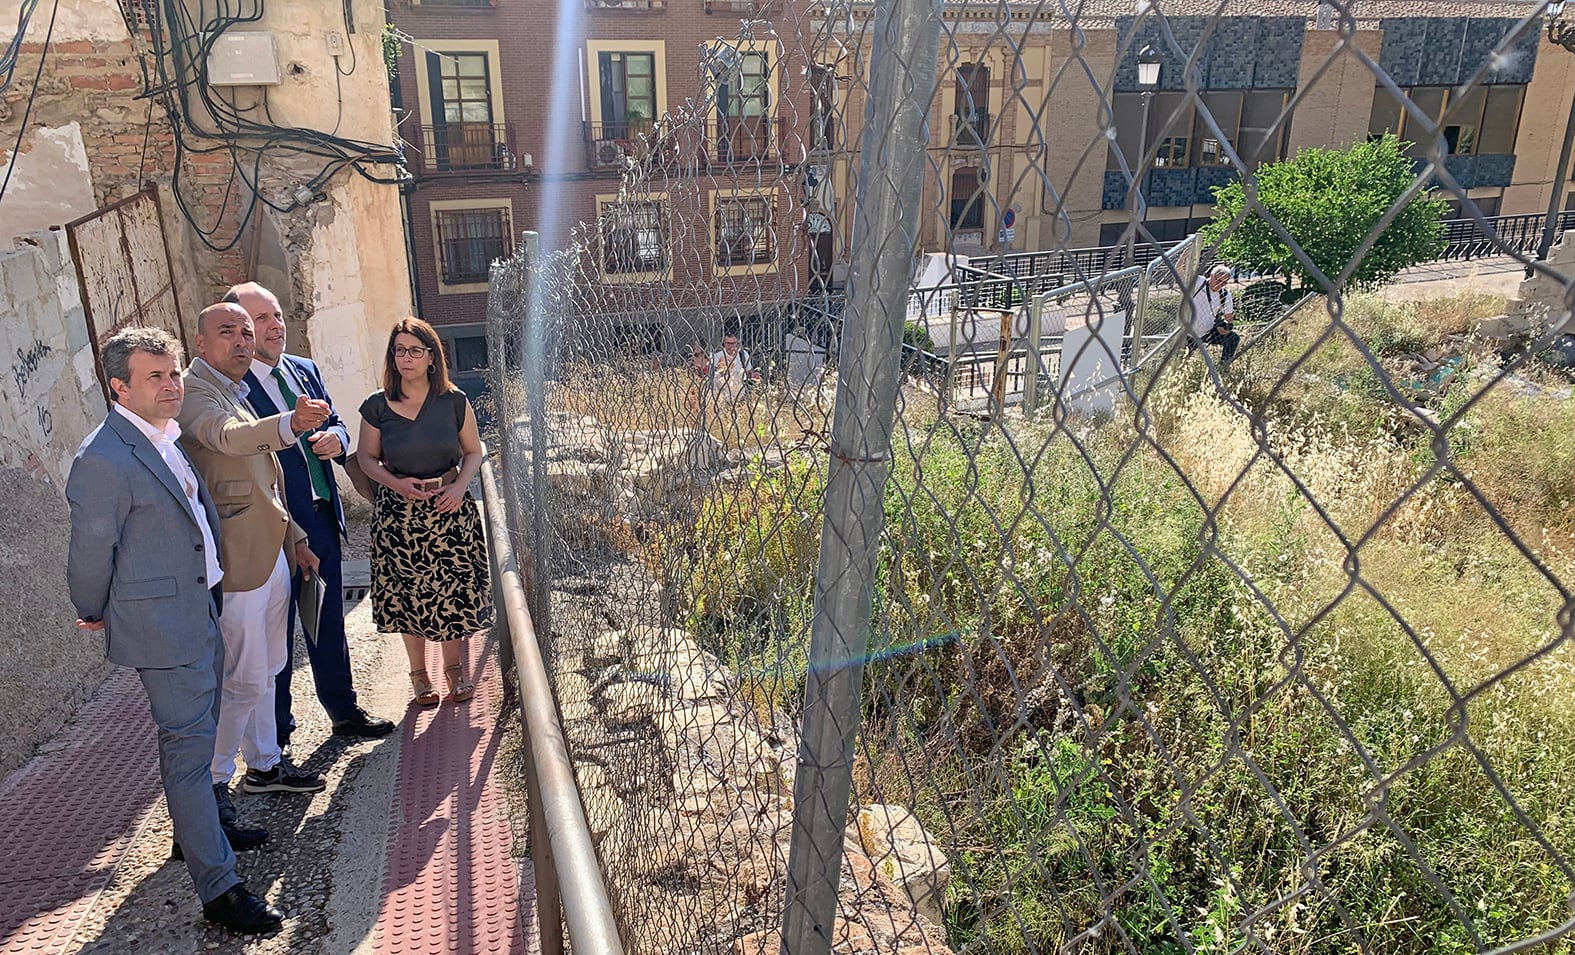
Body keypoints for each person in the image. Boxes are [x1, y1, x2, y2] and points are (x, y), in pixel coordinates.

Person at [67, 327, 284, 934]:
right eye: (155, 377)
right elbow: (89, 551)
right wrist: (91, 605)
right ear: (118, 388)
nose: (171, 386)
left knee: (195, 744)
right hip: (165, 627)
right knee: (188, 753)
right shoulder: (103, 460)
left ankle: (198, 832)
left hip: (200, 610)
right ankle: (220, 889)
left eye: (173, 374)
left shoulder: (163, 435)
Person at [229, 282, 394, 747]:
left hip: (321, 516)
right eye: (260, 320)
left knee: (327, 618)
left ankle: (343, 711)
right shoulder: (234, 392)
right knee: (276, 632)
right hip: (273, 530)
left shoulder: (303, 369)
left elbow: (337, 420)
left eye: (277, 315)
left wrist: (338, 441)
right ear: (241, 330)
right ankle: (276, 738)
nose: (274, 326)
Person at [179, 303, 328, 799]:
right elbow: (229, 439)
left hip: (272, 553)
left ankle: (265, 764)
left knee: (267, 668)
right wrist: (288, 424)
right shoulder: (193, 392)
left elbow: (264, 480)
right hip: (238, 560)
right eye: (228, 332)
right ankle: (214, 785)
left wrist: (297, 540)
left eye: (247, 333)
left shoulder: (232, 389)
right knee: (242, 677)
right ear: (200, 343)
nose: (242, 341)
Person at [356, 318, 492, 706]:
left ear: (432, 356)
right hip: (399, 514)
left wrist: (460, 486)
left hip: (449, 509)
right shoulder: (377, 405)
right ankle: (418, 674)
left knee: (451, 593)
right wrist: (397, 485)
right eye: (399, 350)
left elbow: (473, 451)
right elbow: (366, 458)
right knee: (406, 594)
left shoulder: (454, 401)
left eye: (415, 350)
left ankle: (455, 669)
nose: (406, 358)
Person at [1187, 264, 1240, 363]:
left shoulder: (1224, 293)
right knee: (1185, 360)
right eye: (1218, 280)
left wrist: (1226, 328)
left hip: (1207, 331)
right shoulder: (1199, 282)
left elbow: (1228, 318)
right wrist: (1184, 257)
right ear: (1211, 276)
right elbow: (1179, 272)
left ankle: (1224, 366)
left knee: (1233, 338)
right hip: (1187, 331)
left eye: (1224, 283)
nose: (1220, 285)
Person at [709, 332, 761, 399]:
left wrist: (753, 375)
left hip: (740, 391)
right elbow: (714, 375)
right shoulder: (717, 356)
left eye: (733, 343)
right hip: (723, 391)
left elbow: (749, 371)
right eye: (728, 343)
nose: (730, 346)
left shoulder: (743, 354)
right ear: (724, 343)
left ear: (737, 343)